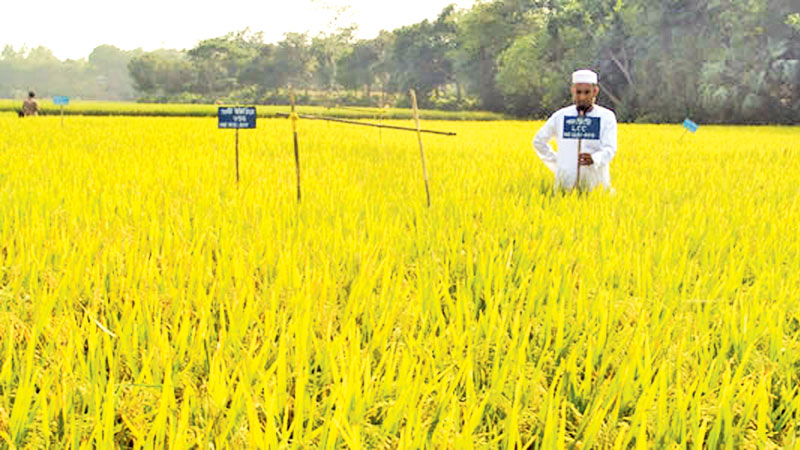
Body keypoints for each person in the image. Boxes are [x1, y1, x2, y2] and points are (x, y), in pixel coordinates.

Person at [533, 69, 618, 191]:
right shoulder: (561, 116)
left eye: (586, 92)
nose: (582, 97)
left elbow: (610, 149)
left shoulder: (606, 117)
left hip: (596, 187)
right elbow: (538, 141)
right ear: (572, 90)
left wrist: (594, 158)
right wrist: (558, 162)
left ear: (595, 91)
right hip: (564, 187)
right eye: (578, 92)